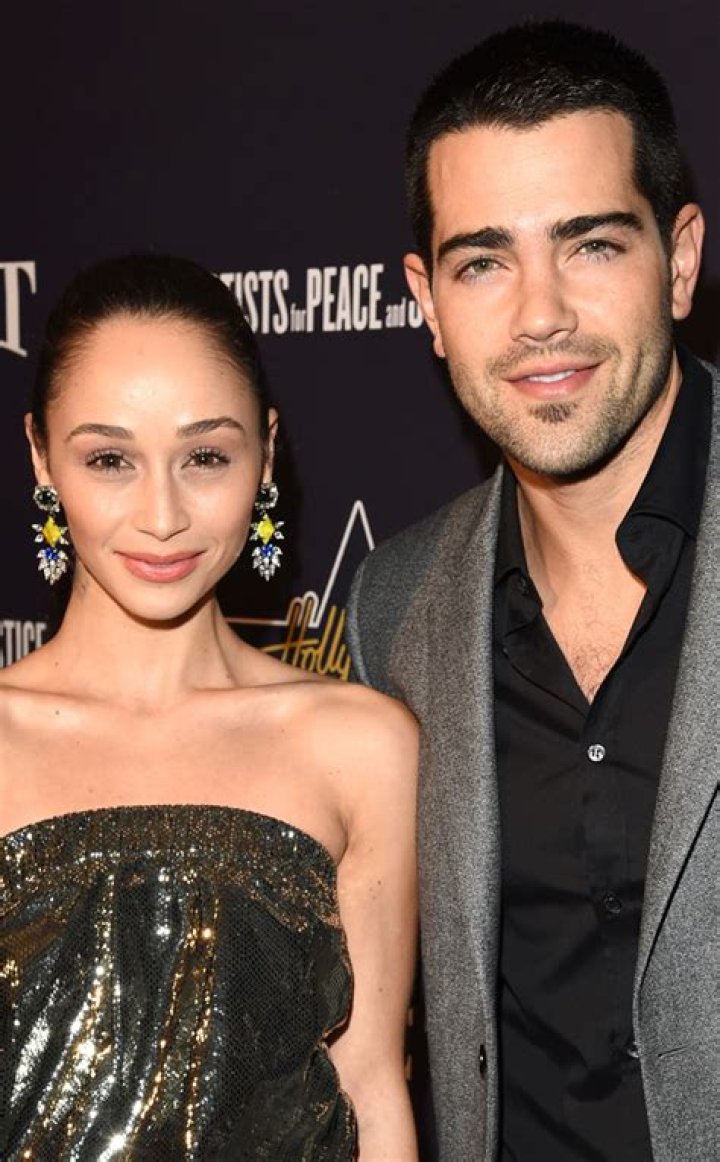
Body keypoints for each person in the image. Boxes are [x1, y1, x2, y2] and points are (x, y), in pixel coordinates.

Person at [347, 20, 718, 1162]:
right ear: (425, 299)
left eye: (591, 245)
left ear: (681, 260)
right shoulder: (392, 606)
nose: (539, 314)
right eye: (483, 262)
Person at [0, 253, 418, 1161]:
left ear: (265, 450)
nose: (163, 515)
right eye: (109, 459)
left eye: (205, 457)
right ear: (41, 455)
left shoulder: (362, 745)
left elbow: (372, 1090)